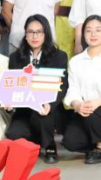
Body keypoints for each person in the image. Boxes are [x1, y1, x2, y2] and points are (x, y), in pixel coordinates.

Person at [64, 14, 101, 164]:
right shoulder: (75, 61)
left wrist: (96, 102)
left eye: (98, 30)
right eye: (88, 30)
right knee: (70, 142)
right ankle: (98, 140)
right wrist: (77, 105)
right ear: (83, 33)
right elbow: (73, 90)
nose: (93, 34)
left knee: (94, 112)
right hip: (84, 111)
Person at [6, 15, 68, 163]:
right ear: (25, 34)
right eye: (30, 32)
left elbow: (63, 86)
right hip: (25, 110)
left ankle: (50, 145)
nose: (34, 36)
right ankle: (35, 141)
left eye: (39, 32)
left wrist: (50, 104)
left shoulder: (59, 56)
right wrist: (9, 102)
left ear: (46, 34)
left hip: (48, 109)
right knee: (14, 134)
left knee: (43, 114)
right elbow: (12, 86)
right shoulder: (15, 57)